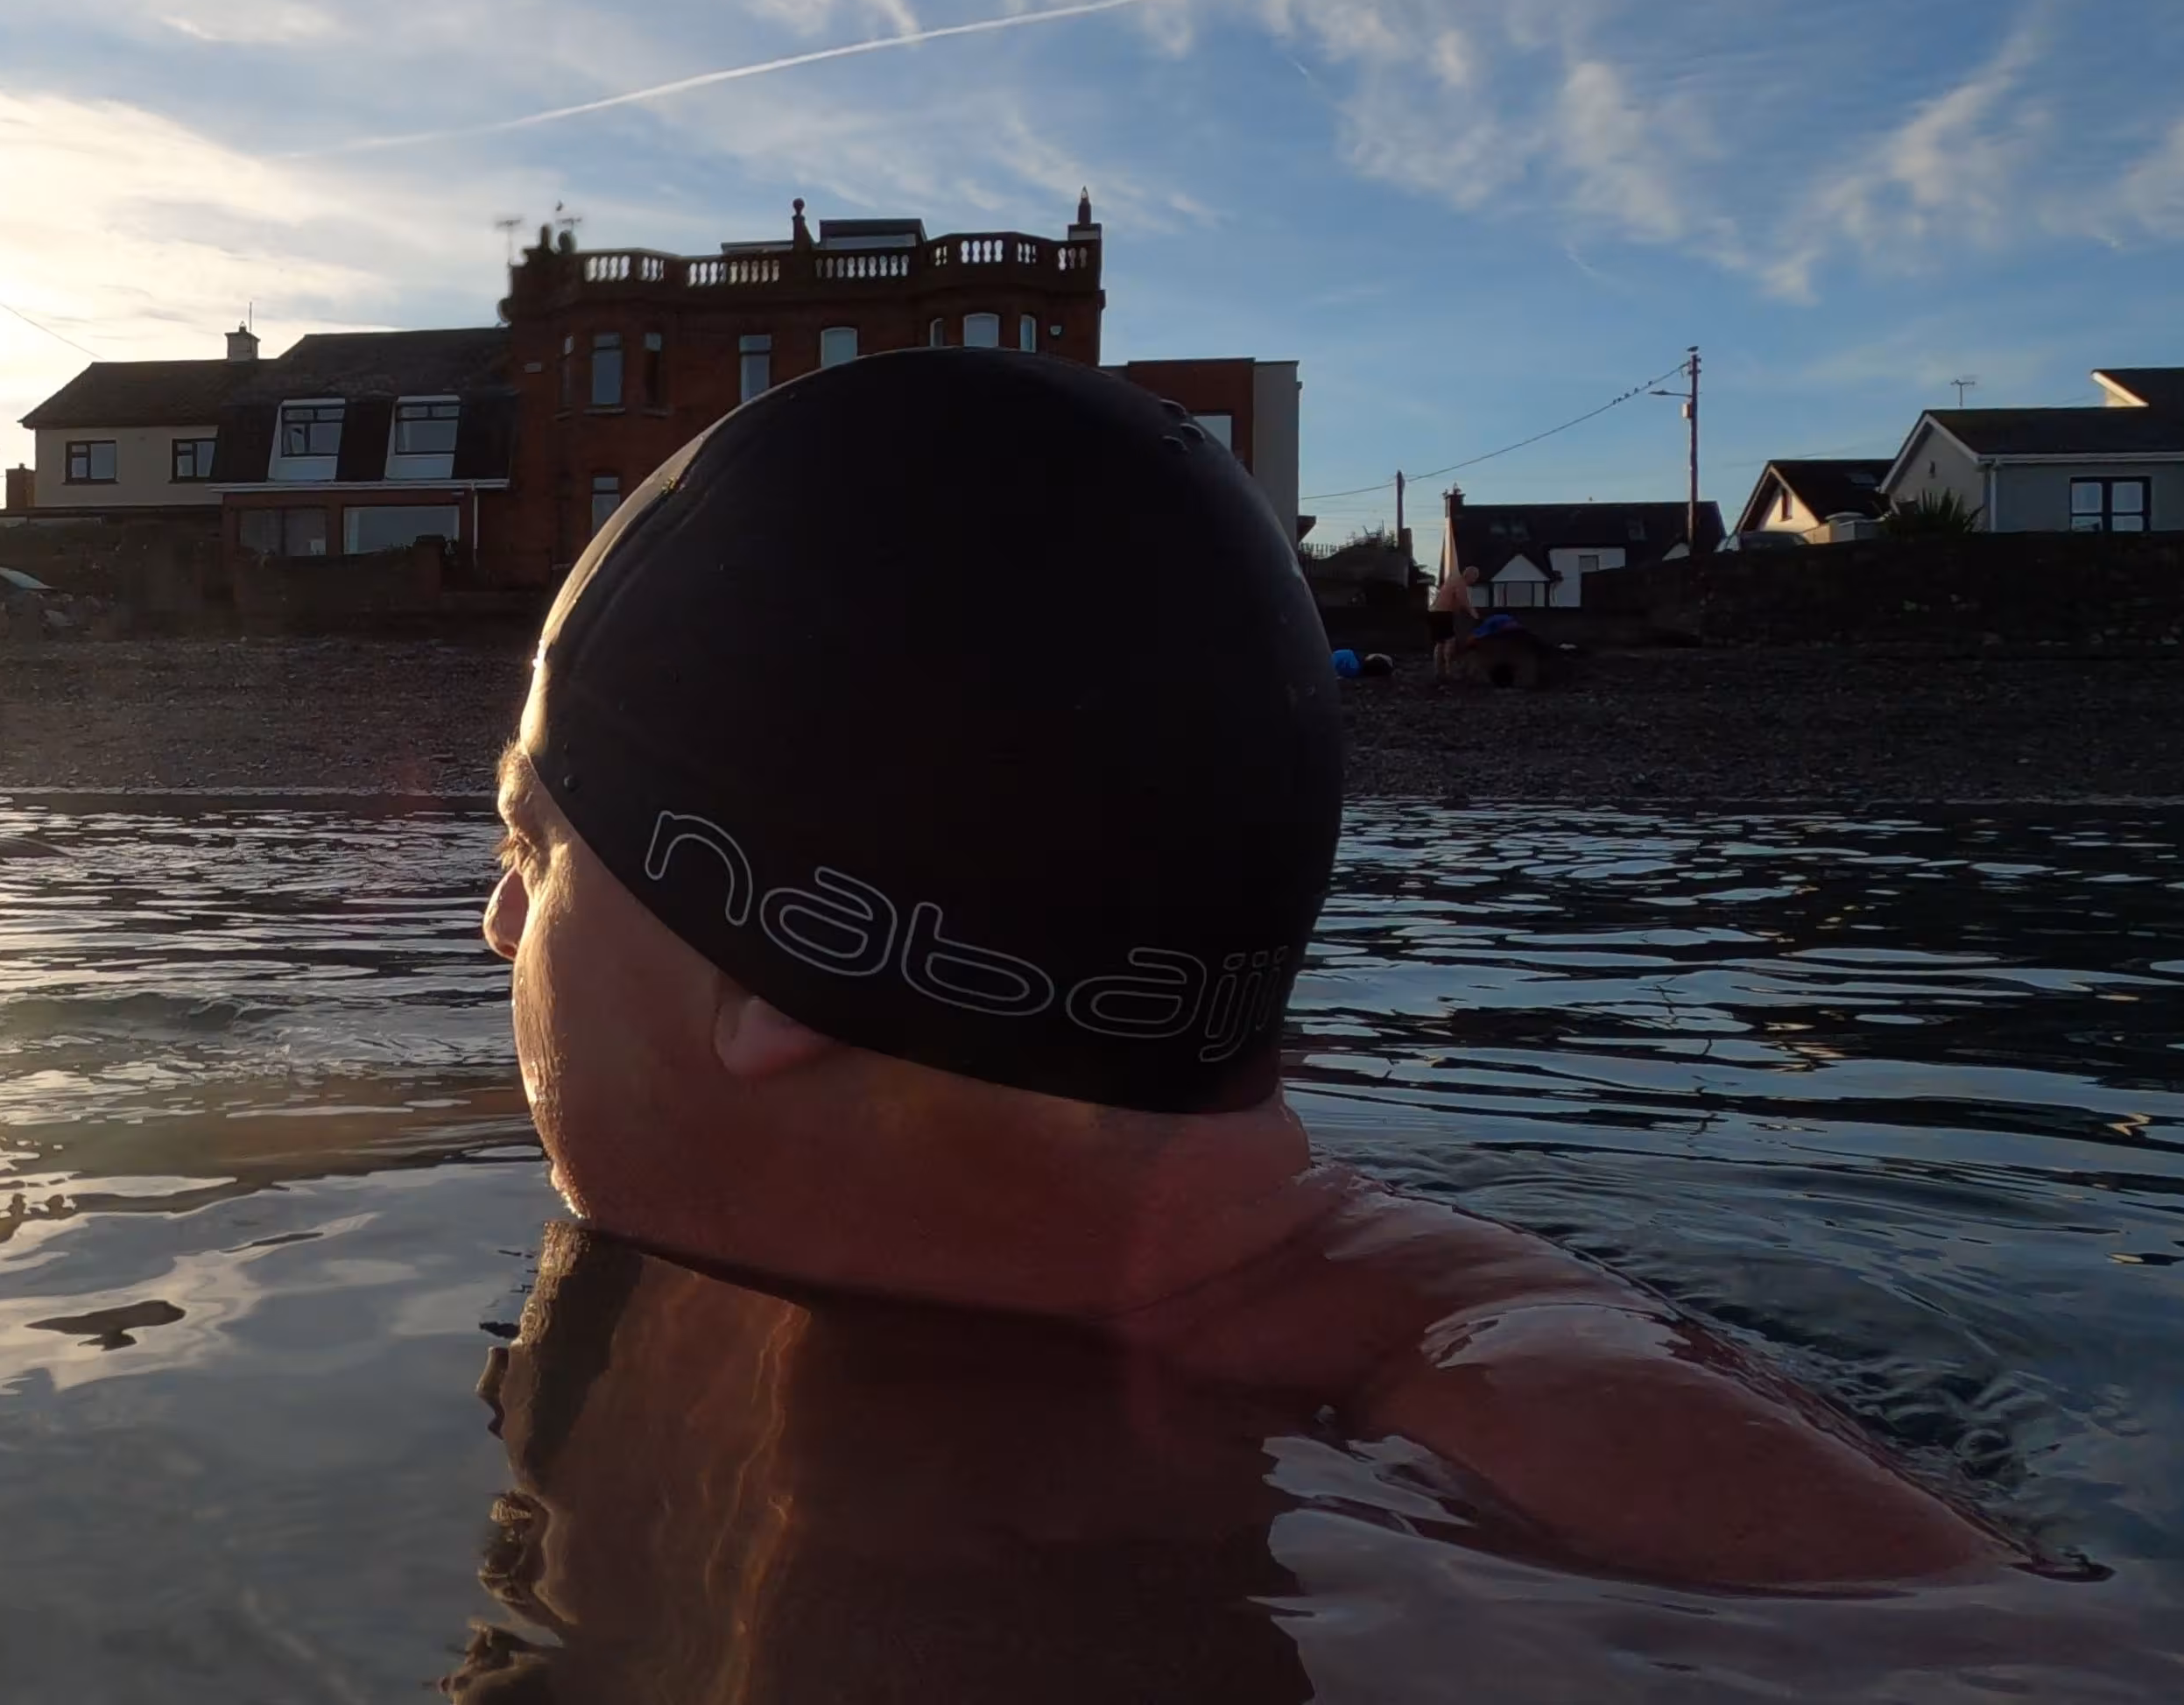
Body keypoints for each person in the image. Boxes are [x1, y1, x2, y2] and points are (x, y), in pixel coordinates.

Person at [479, 349, 2009, 1596]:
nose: (496, 926)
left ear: (787, 960)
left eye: (534, 853)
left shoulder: (1599, 1475)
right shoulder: (1357, 1404)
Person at [1428, 559, 1474, 677]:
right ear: (1469, 575)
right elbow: (1463, 601)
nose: (1473, 581)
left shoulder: (1453, 580)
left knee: (1440, 642)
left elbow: (1455, 602)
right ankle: (1448, 669)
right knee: (1450, 640)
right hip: (1443, 613)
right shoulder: (1460, 582)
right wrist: (1474, 614)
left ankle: (1438, 670)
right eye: (1474, 578)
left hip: (1434, 611)